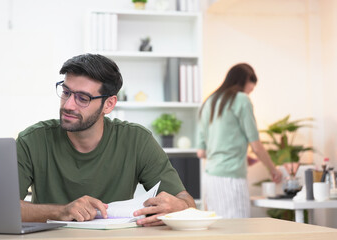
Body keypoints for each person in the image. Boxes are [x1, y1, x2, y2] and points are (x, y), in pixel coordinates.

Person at [17, 53, 195, 226]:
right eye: (66, 92)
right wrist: (61, 211)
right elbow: (4, 208)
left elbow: (186, 202)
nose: (68, 105)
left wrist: (180, 206)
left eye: (82, 98)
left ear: (109, 104)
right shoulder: (32, 141)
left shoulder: (136, 140)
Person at [196, 63, 282, 218]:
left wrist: (234, 152)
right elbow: (256, 146)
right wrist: (273, 170)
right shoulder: (241, 99)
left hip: (211, 179)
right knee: (240, 229)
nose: (250, 92)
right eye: (251, 88)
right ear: (245, 81)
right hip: (231, 178)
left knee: (218, 229)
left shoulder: (209, 102)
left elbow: (201, 152)